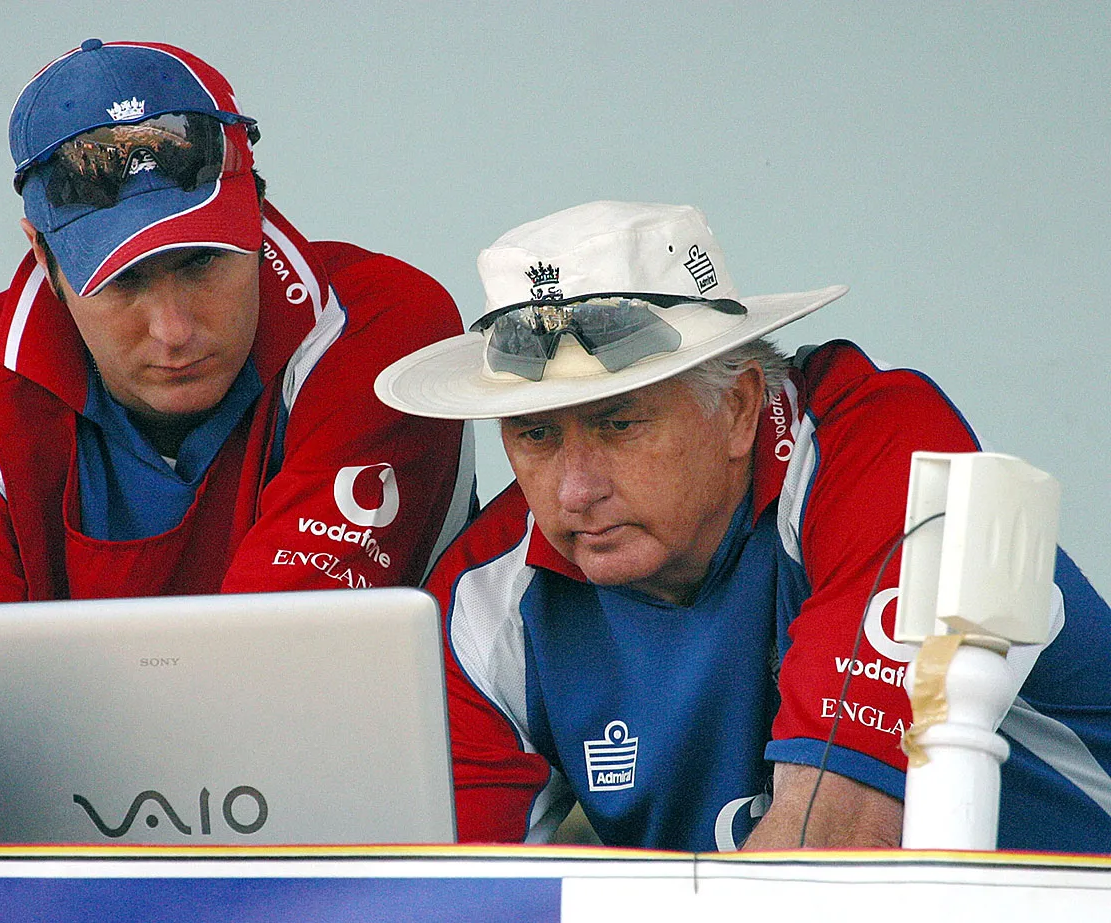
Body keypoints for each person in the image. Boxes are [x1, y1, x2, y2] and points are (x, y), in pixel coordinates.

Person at [374, 200, 1111, 852]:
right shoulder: (484, 597)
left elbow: (834, 846)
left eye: (619, 424)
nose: (574, 489)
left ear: (737, 408)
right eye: (535, 435)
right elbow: (436, 894)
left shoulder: (885, 452)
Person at [0, 39, 475, 631]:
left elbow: (279, 658)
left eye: (201, 262)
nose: (173, 331)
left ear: (258, 212)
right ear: (43, 255)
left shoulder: (379, 326)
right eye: (123, 280)